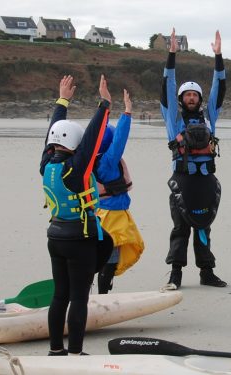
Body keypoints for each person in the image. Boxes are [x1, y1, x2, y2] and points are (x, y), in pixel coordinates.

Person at [40, 74, 116, 356]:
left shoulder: (46, 164)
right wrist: (104, 105)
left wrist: (62, 102)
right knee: (79, 298)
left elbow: (51, 133)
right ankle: (75, 352)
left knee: (59, 296)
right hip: (79, 239)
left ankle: (55, 350)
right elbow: (93, 139)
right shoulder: (76, 168)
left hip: (55, 237)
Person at [160, 28, 227, 290]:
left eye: (194, 95)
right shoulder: (173, 119)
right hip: (182, 180)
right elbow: (167, 83)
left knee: (203, 226)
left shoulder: (209, 115)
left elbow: (219, 87)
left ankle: (206, 272)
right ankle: (175, 274)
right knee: (180, 228)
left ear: (199, 99)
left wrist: (218, 56)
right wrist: (171, 54)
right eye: (187, 95)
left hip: (205, 179)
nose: (191, 97)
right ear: (180, 99)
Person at [94, 90, 146, 294]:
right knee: (110, 257)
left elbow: (100, 133)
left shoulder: (89, 160)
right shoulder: (107, 162)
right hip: (111, 217)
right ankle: (103, 294)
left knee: (99, 256)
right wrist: (127, 112)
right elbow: (119, 143)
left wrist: (105, 105)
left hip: (99, 214)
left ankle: (93, 292)